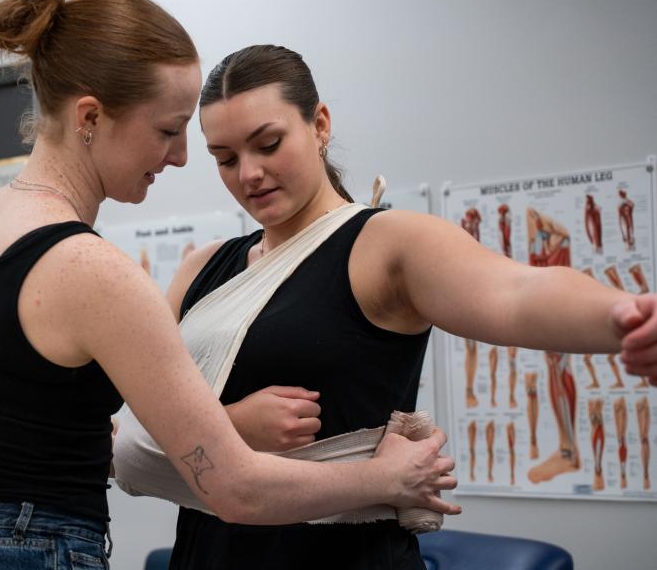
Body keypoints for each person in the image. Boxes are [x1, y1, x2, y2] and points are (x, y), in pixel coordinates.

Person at [0, 0, 459, 570]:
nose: (182, 156)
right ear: (89, 117)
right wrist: (386, 477)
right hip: (25, 549)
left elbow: (53, 432)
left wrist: (221, 423)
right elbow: (235, 489)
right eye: (167, 129)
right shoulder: (94, 269)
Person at [139, 44, 657, 570]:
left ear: (319, 125)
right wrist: (228, 429)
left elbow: (517, 293)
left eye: (268, 144)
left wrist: (625, 317)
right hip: (206, 550)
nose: (248, 173)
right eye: (225, 159)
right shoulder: (201, 269)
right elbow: (134, 429)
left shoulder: (382, 245)